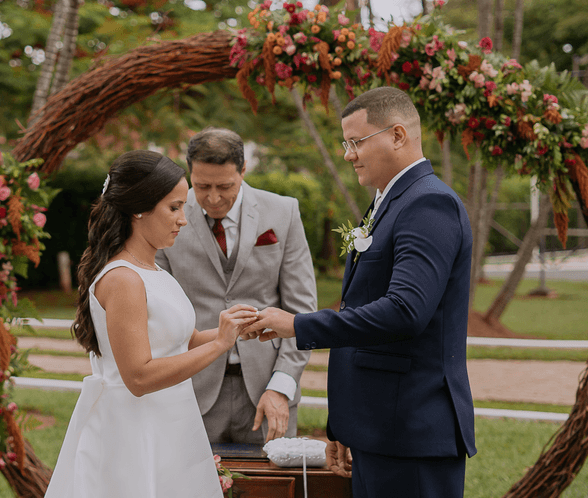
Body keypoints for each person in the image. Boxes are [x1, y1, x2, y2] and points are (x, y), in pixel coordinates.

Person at [243, 87, 477, 497]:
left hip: (411, 432)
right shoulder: (389, 201)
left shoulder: (429, 204)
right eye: (345, 144)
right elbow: (362, 308)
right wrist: (344, 426)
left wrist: (297, 324)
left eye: (356, 142)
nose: (348, 155)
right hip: (378, 428)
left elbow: (405, 311)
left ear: (398, 135)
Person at [44, 150, 257, 498]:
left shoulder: (155, 271)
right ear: (139, 209)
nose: (183, 220)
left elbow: (183, 342)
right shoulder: (123, 279)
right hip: (134, 432)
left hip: (171, 423)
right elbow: (139, 377)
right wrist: (220, 344)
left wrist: (232, 328)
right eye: (174, 207)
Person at [156, 128, 316, 444]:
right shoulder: (167, 213)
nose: (213, 198)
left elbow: (301, 311)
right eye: (202, 186)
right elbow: (158, 308)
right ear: (190, 172)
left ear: (243, 170)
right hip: (190, 389)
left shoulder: (283, 212)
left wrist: (281, 386)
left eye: (225, 186)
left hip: (268, 391)